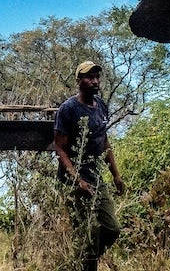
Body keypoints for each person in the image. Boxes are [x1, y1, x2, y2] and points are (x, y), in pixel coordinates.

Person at [53, 61, 125, 271]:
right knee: (88, 232)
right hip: (74, 180)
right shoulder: (68, 109)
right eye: (88, 77)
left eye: (96, 77)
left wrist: (116, 175)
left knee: (111, 229)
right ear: (79, 81)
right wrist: (77, 180)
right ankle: (84, 264)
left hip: (95, 177)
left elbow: (104, 142)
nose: (94, 81)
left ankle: (85, 263)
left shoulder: (101, 106)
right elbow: (60, 149)